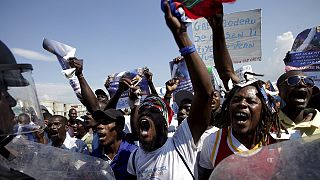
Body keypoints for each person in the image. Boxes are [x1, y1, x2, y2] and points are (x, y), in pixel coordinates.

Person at [126, 1, 215, 179]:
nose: (145, 113)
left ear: (166, 122)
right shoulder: (134, 158)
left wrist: (181, 36)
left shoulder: (182, 142)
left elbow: (205, 93)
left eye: (153, 111)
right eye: (143, 110)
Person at [93, 108, 137, 180]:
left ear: (119, 127)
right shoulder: (95, 156)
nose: (99, 126)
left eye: (106, 122)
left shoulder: (132, 153)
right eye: (98, 122)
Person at [276, 70, 320, 139]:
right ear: (279, 91)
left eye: (308, 82)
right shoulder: (267, 125)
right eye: (293, 80)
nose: (302, 84)